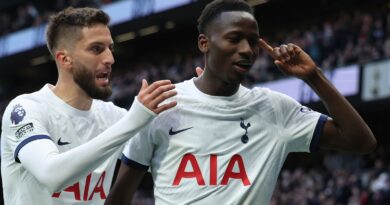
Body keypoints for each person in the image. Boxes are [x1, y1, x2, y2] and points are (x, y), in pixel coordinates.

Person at [104, 0, 377, 204]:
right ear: (204, 43)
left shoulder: (275, 109)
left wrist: (314, 77)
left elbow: (361, 141)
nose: (247, 50)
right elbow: (120, 197)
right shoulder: (161, 105)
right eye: (234, 39)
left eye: (253, 41)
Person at [0, 7, 178, 205]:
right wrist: (133, 121)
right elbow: (52, 174)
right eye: (96, 49)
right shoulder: (25, 109)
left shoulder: (114, 116)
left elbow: (175, 163)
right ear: (65, 59)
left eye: (110, 47)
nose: (110, 58)